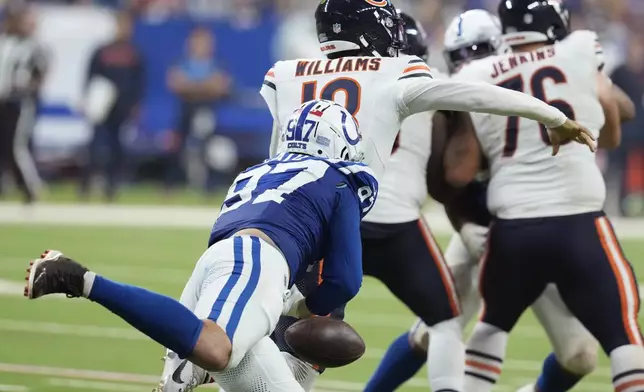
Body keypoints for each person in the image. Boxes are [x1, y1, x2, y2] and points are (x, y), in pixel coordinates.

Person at [259, 1, 593, 391]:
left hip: (313, 222)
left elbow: (277, 155)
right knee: (444, 318)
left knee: (288, 323)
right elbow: (477, 96)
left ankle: (222, 365)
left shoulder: (286, 73)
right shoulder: (399, 71)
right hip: (391, 219)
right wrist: (554, 117)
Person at [25, 100, 379, 392]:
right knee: (214, 347)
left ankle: (190, 369)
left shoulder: (256, 172)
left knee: (230, 360)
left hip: (219, 263)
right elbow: (346, 279)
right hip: (256, 262)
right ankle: (80, 280)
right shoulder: (338, 181)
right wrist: (304, 307)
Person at [435, 1, 644, 391]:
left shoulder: (478, 73)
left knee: (491, 326)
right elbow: (612, 132)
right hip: (579, 221)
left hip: (513, 225)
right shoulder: (579, 47)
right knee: (624, 334)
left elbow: (460, 172)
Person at [78, 12, 145, 202]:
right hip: (102, 105)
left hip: (122, 106)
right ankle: (86, 183)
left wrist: (136, 104)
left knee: (117, 146)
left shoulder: (134, 53)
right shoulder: (103, 50)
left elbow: (139, 81)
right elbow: (91, 76)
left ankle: (111, 185)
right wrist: (87, 99)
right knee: (96, 144)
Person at [166, 27, 231, 190]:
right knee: (179, 144)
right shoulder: (182, 63)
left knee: (207, 144)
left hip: (206, 108)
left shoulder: (217, 64)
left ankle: (208, 183)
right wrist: (204, 86)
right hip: (186, 109)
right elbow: (175, 83)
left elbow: (220, 86)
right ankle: (176, 181)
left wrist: (191, 86)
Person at [0, 1, 47, 204]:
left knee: (16, 146)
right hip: (2, 98)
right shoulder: (3, 42)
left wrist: (28, 86)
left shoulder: (33, 47)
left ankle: (30, 187)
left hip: (18, 100)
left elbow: (42, 73)